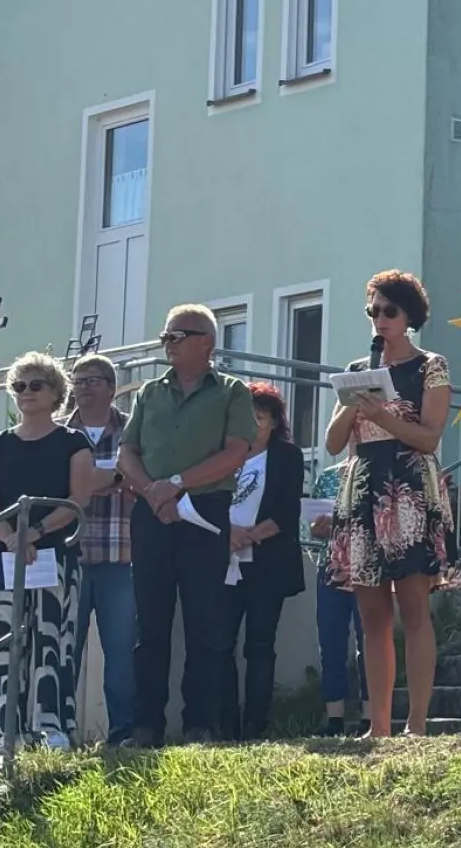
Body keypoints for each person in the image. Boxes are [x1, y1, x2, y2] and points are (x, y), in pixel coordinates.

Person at [325, 270, 459, 738]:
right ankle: (378, 726)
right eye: (373, 311)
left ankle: (416, 723)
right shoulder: (358, 368)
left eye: (389, 311)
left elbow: (429, 437)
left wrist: (381, 414)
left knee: (414, 608)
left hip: (409, 493)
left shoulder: (431, 367)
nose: (379, 319)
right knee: (371, 614)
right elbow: (333, 443)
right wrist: (353, 401)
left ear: (409, 316)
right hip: (363, 490)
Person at [117, 305, 257, 747]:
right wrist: (153, 492)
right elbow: (126, 453)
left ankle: (201, 724)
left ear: (206, 343)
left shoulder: (232, 392)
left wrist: (176, 484)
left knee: (205, 622)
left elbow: (236, 452)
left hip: (205, 510)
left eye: (176, 336)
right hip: (151, 511)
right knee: (150, 623)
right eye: (165, 336)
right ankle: (145, 726)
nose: (168, 344)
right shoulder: (149, 393)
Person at [0, 352, 95, 750]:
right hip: (4, 555)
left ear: (56, 392)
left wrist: (34, 533)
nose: (26, 392)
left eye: (36, 385)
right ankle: (9, 732)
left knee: (53, 639)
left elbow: (78, 498)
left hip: (54, 553)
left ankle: (52, 726)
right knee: (8, 642)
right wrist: (12, 536)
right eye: (19, 386)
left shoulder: (73, 441)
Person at [218, 383, 307, 741]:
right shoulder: (221, 454)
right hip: (223, 561)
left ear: (274, 422)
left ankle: (256, 725)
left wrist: (249, 535)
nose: (253, 424)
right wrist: (227, 534)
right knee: (220, 644)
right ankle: (225, 726)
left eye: (261, 417)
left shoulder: (287, 456)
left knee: (259, 644)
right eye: (247, 417)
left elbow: (287, 511)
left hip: (267, 563)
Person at [62, 354, 137, 746]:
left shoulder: (133, 430)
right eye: (78, 380)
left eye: (93, 380)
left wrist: (101, 479)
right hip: (68, 558)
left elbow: (147, 478)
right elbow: (56, 485)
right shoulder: (59, 434)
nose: (84, 387)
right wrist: (108, 479)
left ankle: (123, 734)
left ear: (111, 387)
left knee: (122, 653)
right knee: (64, 652)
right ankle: (59, 733)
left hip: (122, 556)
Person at [304, 460, 366, 737]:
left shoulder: (378, 471)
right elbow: (311, 528)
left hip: (367, 565)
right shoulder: (328, 476)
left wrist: (343, 524)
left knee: (369, 640)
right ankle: (334, 719)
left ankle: (371, 716)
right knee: (330, 641)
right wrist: (317, 528)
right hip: (331, 564)